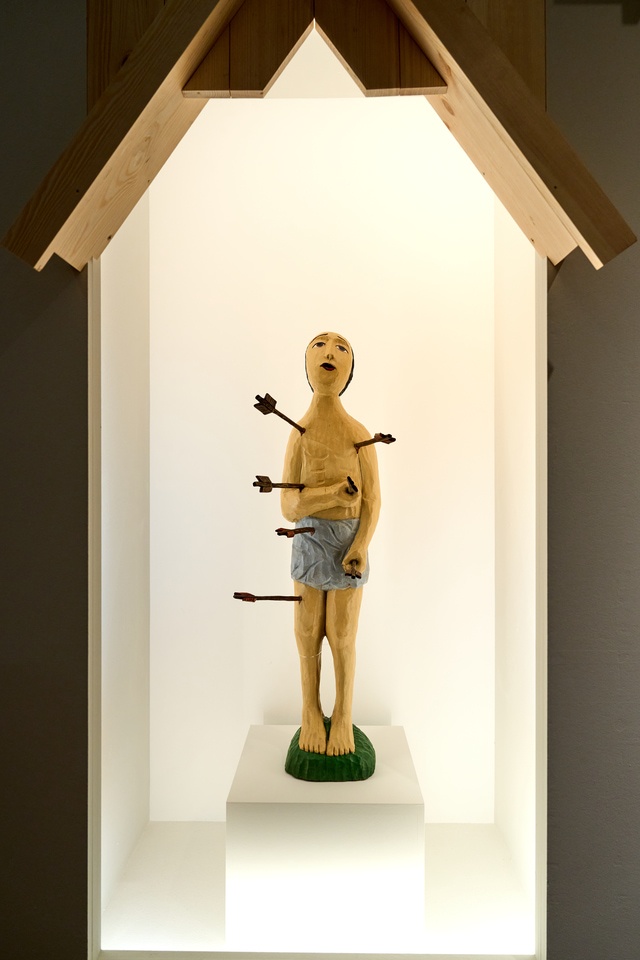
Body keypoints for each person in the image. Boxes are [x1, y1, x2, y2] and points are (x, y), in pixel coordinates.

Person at [281, 332, 380, 756]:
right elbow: (289, 506)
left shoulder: (358, 433)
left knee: (341, 636)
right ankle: (309, 711)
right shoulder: (300, 435)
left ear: (350, 369)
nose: (329, 351)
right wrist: (331, 495)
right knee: (307, 633)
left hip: (348, 544)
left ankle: (342, 717)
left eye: (341, 348)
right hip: (307, 540)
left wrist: (361, 544)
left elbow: (372, 500)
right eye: (319, 345)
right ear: (307, 365)